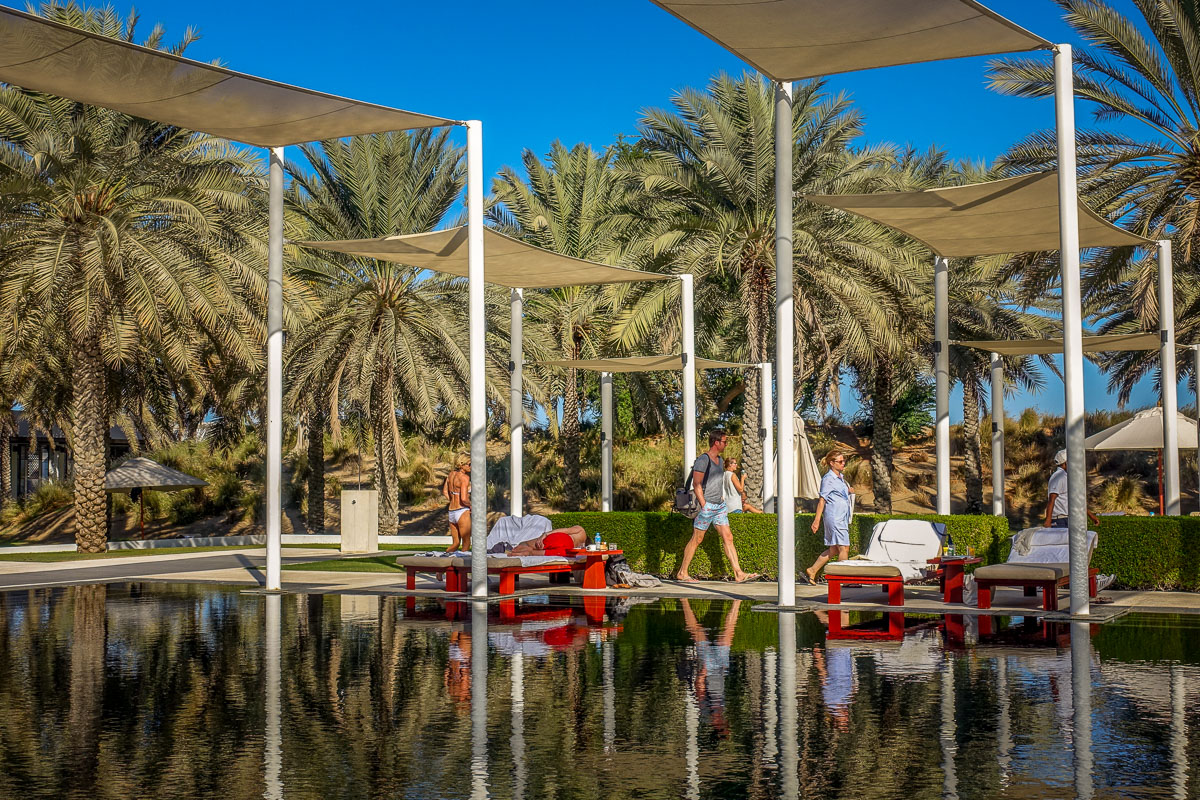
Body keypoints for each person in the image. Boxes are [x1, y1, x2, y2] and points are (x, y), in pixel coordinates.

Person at [676, 429, 758, 583]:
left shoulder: (720, 461)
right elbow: (697, 484)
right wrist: (705, 505)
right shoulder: (703, 460)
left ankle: (738, 573)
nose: (726, 444)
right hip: (707, 506)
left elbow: (716, 482)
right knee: (697, 539)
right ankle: (682, 572)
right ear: (716, 442)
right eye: (724, 441)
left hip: (719, 506)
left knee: (728, 537)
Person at [804, 451, 854, 585]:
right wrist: (816, 520)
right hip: (835, 517)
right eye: (840, 461)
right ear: (832, 463)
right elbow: (822, 500)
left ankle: (813, 570)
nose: (843, 463)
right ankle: (843, 578)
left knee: (834, 549)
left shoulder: (840, 478)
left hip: (841, 517)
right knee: (844, 548)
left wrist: (848, 491)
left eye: (844, 461)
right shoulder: (828, 479)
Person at [1045, 448, 1100, 528]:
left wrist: (1091, 516)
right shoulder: (1058, 477)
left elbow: (1077, 500)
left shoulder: (1067, 477)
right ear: (1066, 463)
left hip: (1069, 519)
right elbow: (1051, 499)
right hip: (1059, 521)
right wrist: (1048, 521)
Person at [442, 455, 472, 552]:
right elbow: (463, 498)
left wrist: (452, 500)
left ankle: (444, 560)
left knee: (455, 543)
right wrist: (471, 506)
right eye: (470, 464)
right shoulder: (464, 478)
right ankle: (462, 566)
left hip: (451, 511)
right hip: (462, 511)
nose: (471, 467)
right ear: (461, 465)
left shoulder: (451, 474)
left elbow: (445, 492)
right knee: (466, 543)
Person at [508, 525, 588, 556]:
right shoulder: (583, 548)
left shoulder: (582, 531)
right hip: (566, 551)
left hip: (563, 539)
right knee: (532, 552)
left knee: (527, 544)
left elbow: (565, 530)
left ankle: (512, 550)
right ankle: (521, 553)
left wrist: (545, 535)